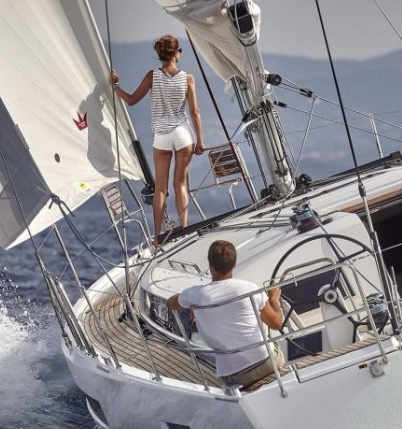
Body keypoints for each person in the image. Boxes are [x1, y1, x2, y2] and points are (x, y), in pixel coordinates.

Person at [111, 34, 204, 244]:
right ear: (176, 53)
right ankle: (184, 232)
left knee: (160, 189)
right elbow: (195, 112)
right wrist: (200, 140)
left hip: (162, 136)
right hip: (183, 135)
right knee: (180, 184)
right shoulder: (188, 78)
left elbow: (132, 100)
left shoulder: (152, 76)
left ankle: (156, 237)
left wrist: (115, 87)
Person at [167, 240, 286, 387]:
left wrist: (194, 305)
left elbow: (170, 303)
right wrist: (274, 299)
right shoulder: (249, 288)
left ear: (210, 265)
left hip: (234, 376)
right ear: (234, 264)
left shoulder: (196, 295)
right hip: (267, 363)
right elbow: (276, 323)